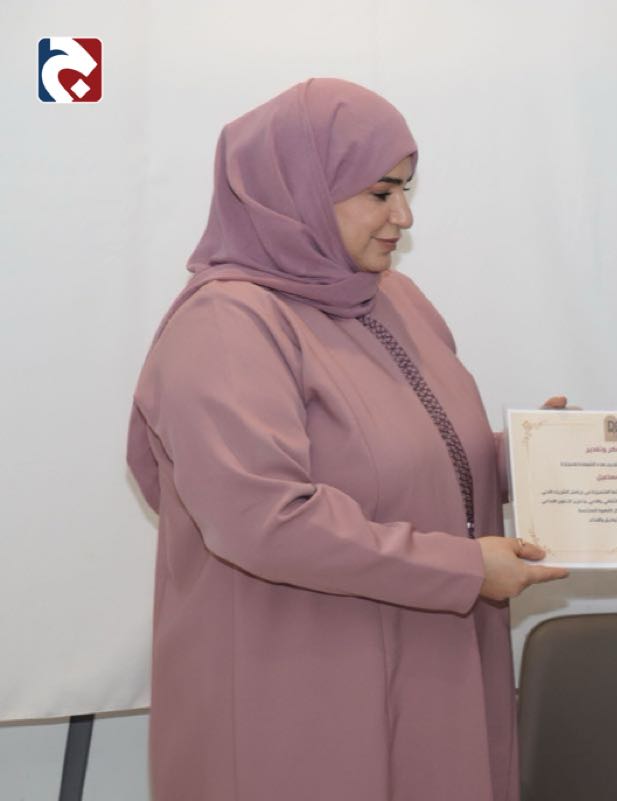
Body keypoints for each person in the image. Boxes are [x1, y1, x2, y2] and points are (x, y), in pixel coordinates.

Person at [126, 78, 567, 801]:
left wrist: (547, 458)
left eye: (405, 190)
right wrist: (462, 568)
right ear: (295, 189)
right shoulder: (229, 323)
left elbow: (420, 457)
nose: (403, 216)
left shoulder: (392, 299)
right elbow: (263, 518)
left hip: (426, 659)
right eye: (379, 193)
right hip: (300, 686)